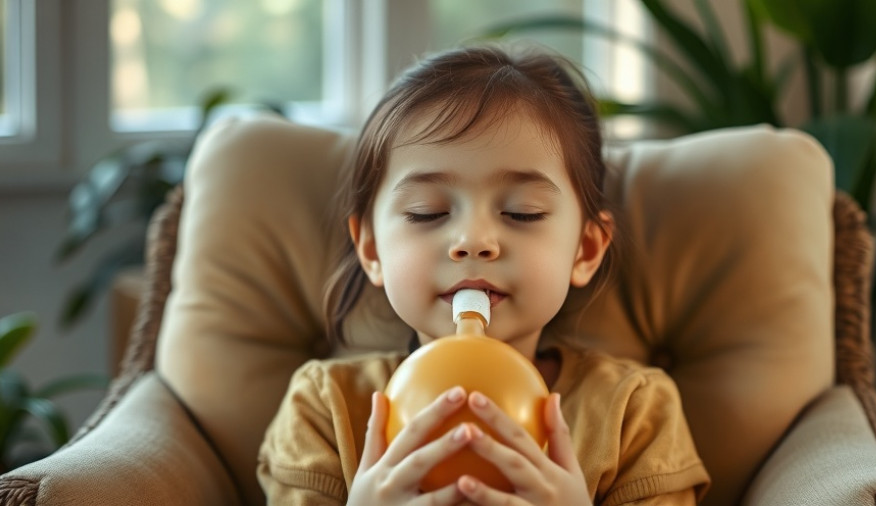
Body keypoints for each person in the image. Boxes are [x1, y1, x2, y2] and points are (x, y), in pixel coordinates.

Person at [257, 45, 710, 505]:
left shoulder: (631, 412)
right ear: (371, 249)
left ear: (585, 249)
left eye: (522, 213)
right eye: (426, 212)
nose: (473, 241)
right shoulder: (325, 409)